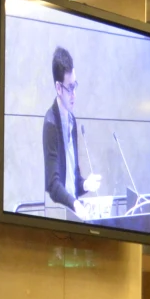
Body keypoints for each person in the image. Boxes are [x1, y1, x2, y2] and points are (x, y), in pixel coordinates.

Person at [42, 46, 100, 211]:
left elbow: (73, 180)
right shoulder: (50, 124)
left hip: (72, 213)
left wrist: (86, 184)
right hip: (57, 214)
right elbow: (53, 185)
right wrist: (74, 204)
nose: (74, 94)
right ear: (58, 88)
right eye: (70, 88)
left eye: (75, 86)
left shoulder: (72, 122)